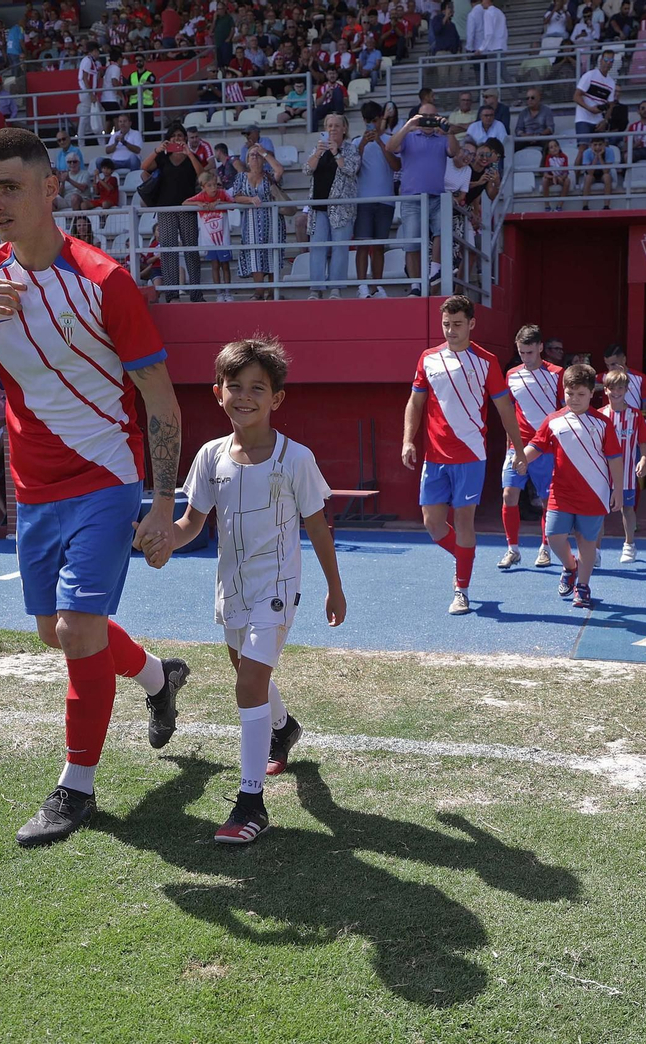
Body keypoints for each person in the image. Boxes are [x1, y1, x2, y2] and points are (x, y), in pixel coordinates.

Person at [0, 128, 184, 849]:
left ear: (49, 189)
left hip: (106, 475)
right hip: (32, 486)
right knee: (60, 634)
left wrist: (163, 505)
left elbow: (159, 399)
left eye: (10, 186)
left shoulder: (104, 280)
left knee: (76, 631)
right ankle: (159, 678)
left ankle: (77, 787)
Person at [156, 337, 345, 844]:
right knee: (245, 672)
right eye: (234, 387)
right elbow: (192, 522)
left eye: (256, 388)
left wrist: (334, 588)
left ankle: (250, 803)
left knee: (247, 685)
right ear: (217, 392)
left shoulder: (295, 459)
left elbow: (318, 526)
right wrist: (163, 539)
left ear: (276, 398)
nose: (244, 396)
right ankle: (283, 729)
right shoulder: (210, 456)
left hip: (278, 588)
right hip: (231, 587)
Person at [402, 295, 526, 615]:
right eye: (446, 324)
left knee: (463, 519)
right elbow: (415, 402)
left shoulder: (487, 362)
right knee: (432, 523)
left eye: (457, 324)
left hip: (471, 455)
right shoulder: (427, 358)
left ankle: (462, 588)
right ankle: (465, 553)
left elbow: (504, 407)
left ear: (471, 324)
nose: (450, 331)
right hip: (434, 456)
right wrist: (408, 440)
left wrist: (518, 448)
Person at [522, 364, 623, 609]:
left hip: (594, 494)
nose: (574, 399)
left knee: (586, 541)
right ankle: (570, 567)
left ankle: (583, 586)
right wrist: (521, 458)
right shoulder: (553, 420)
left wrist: (617, 489)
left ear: (591, 393)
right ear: (563, 392)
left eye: (580, 394)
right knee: (554, 537)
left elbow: (614, 458)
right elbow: (536, 445)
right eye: (570, 393)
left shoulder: (603, 424)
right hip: (561, 492)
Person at [498, 325, 563, 571]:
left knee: (547, 500)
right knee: (508, 495)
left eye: (529, 352)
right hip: (518, 446)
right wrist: (509, 444)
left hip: (547, 448)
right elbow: (509, 412)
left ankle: (545, 548)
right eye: (521, 353)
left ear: (540, 348)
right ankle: (512, 549)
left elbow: (565, 411)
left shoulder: (557, 373)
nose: (525, 358)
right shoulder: (512, 375)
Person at [388, 104, 460, 295]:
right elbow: (390, 147)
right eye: (424, 116)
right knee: (411, 243)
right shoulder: (409, 136)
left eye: (432, 117)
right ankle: (415, 286)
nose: (428, 120)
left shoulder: (442, 137)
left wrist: (449, 130)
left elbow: (454, 152)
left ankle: (434, 271)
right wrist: (409, 125)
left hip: (437, 196)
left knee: (440, 233)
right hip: (412, 198)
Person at [142, 122, 206, 303]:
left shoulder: (190, 156)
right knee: (169, 251)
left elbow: (201, 174)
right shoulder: (162, 158)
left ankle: (196, 293)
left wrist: (189, 153)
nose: (177, 139)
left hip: (187, 207)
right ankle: (171, 294)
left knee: (190, 250)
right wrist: (157, 150)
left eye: (180, 136)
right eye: (174, 137)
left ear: (185, 138)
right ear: (168, 140)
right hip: (166, 209)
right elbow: (144, 167)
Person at [306, 113, 361, 299]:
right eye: (329, 126)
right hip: (318, 206)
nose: (332, 129)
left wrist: (337, 152)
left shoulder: (351, 149)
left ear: (344, 129)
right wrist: (318, 154)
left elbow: (351, 169)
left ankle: (336, 288)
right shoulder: (318, 148)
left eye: (336, 126)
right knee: (317, 247)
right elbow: (307, 170)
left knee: (339, 247)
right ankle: (316, 288)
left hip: (341, 208)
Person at [600, 370, 646, 562]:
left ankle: (629, 545)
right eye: (612, 388)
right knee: (600, 512)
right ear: (605, 390)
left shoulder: (635, 414)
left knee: (627, 509)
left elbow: (644, 441)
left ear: (627, 389)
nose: (616, 392)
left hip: (628, 471)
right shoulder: (600, 415)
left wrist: (644, 459)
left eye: (620, 388)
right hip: (604, 473)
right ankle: (595, 550)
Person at [355, 102, 400, 299]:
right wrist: (364, 145)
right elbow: (352, 170)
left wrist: (381, 143)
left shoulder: (391, 140)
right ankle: (362, 285)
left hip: (386, 201)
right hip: (363, 201)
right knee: (363, 245)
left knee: (379, 246)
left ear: (381, 118)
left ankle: (377, 285)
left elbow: (396, 165)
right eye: (368, 121)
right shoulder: (357, 142)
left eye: (374, 120)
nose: (371, 125)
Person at [229, 143, 285, 300]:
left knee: (272, 253)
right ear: (247, 160)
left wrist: (265, 153)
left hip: (272, 221)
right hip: (251, 222)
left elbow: (280, 170)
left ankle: (273, 291)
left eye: (258, 155)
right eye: (252, 155)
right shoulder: (241, 177)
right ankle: (259, 292)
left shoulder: (268, 176)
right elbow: (236, 197)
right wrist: (250, 199)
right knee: (255, 254)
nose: (255, 157)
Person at [185, 169, 235, 301]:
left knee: (225, 265)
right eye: (209, 185)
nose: (213, 188)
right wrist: (197, 203)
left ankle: (228, 293)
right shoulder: (201, 196)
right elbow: (184, 203)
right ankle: (219, 294)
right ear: (203, 187)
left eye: (214, 184)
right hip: (210, 239)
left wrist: (220, 203)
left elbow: (233, 204)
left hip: (223, 237)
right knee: (215, 265)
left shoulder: (222, 193)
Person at [573, 49, 618, 143]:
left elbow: (610, 105)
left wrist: (605, 121)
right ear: (601, 60)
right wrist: (589, 108)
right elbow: (576, 96)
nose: (608, 63)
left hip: (598, 121)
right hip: (583, 118)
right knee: (583, 148)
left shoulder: (611, 83)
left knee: (600, 150)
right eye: (606, 60)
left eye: (611, 61)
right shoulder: (589, 75)